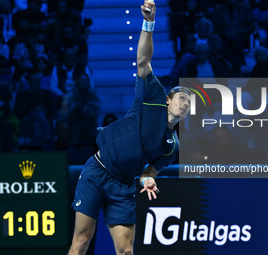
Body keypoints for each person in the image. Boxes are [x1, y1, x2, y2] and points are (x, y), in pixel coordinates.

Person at [68, 1, 191, 254]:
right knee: (81, 241)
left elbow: (150, 172)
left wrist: (147, 180)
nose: (187, 104)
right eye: (183, 98)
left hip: (122, 185)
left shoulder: (171, 146)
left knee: (125, 251)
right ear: (169, 99)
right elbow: (143, 62)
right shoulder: (152, 96)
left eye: (190, 103)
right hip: (97, 170)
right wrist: (149, 22)